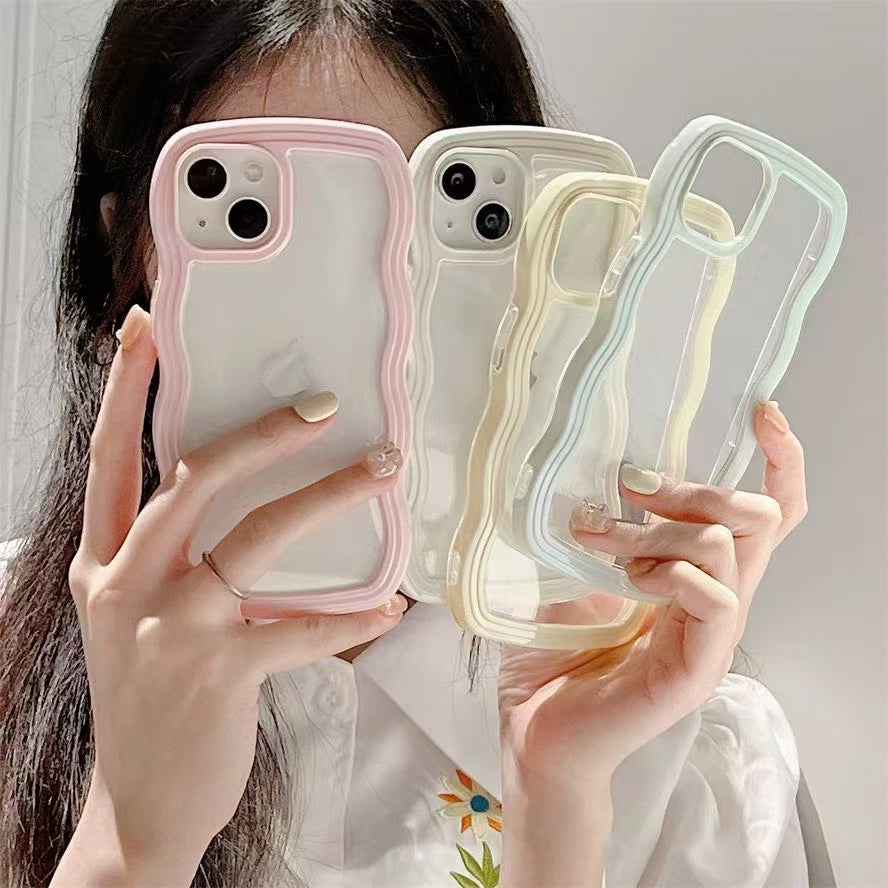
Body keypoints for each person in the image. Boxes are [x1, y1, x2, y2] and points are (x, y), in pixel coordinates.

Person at [0, 2, 813, 886]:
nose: (349, 325)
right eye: (261, 230)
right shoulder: (13, 671)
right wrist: (128, 843)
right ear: (130, 255)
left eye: (401, 229)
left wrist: (559, 798)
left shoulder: (684, 756)